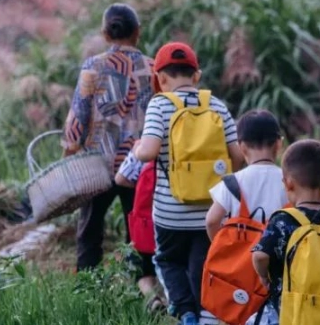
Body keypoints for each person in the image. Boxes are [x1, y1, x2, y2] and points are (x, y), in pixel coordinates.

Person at [135, 41, 245, 325]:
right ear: (196, 76)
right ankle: (204, 312)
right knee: (201, 266)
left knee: (167, 260)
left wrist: (136, 148)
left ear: (161, 78)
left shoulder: (159, 104)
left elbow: (147, 152)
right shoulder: (217, 106)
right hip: (210, 211)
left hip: (170, 212)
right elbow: (238, 157)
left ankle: (185, 312)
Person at [60, 4, 161, 310]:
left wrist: (70, 150)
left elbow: (79, 113)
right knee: (140, 228)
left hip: (98, 165)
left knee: (90, 229)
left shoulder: (92, 66)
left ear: (105, 34)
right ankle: (148, 293)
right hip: (139, 165)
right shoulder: (153, 67)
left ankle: (88, 295)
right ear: (138, 31)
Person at [251, 139, 320, 323]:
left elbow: (260, 256)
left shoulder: (283, 220)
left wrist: (263, 275)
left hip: (287, 314)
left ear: (288, 183)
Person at [205, 110, 287, 240]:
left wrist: (221, 248)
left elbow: (211, 221)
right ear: (279, 144)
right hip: (281, 257)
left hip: (242, 257)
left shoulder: (232, 183)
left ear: (241, 147)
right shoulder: (290, 180)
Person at [116, 148, 168, 314]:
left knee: (143, 268)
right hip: (176, 220)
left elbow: (120, 179)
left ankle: (153, 298)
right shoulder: (189, 145)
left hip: (147, 224)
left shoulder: (141, 150)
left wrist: (138, 186)